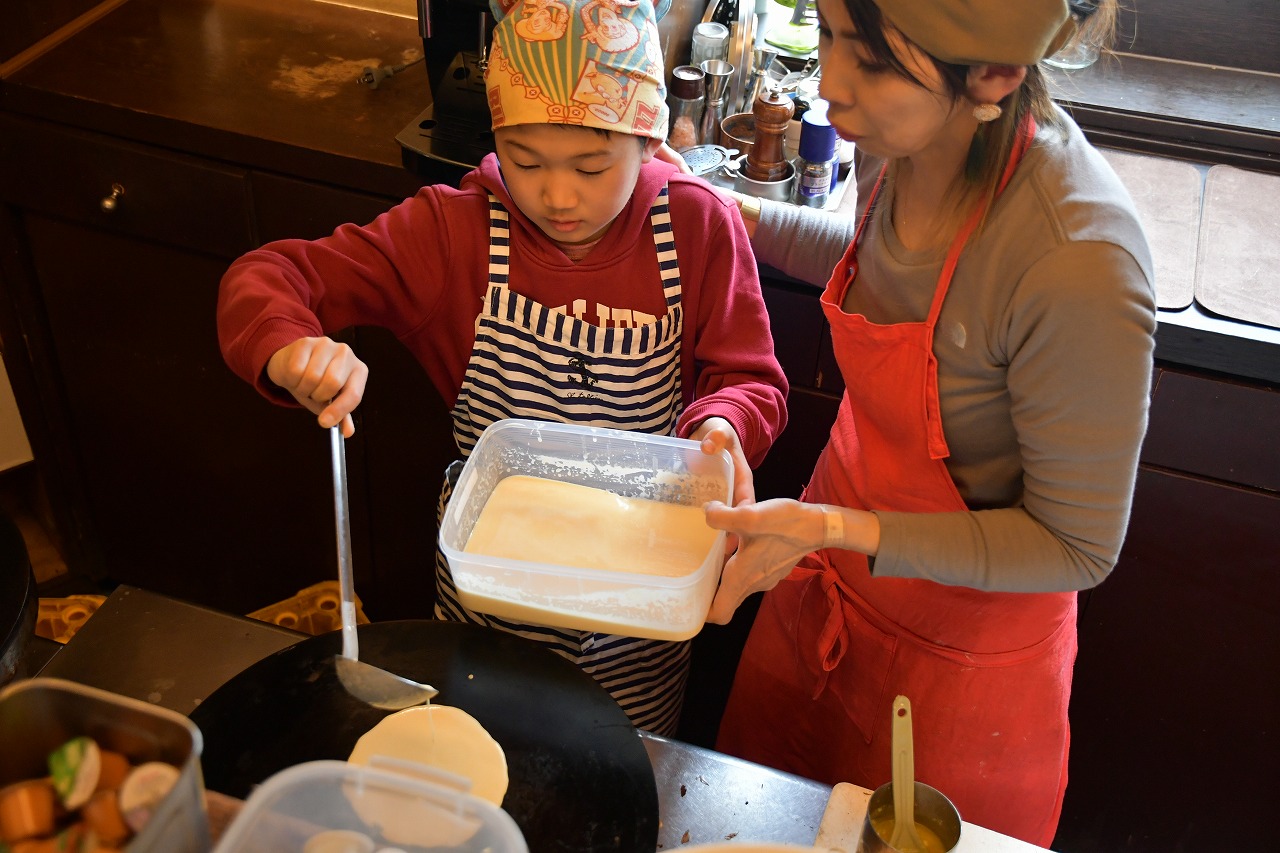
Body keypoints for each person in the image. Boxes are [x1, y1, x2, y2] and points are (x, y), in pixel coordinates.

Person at [216, 0, 788, 737]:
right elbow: (269, 276)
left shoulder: (697, 226)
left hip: (638, 618)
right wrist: (291, 346)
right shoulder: (451, 233)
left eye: (592, 165)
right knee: (486, 761)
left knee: (623, 771)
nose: (557, 195)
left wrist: (723, 425)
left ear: (647, 141)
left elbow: (751, 378)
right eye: (525, 161)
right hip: (488, 606)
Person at [698, 0, 1154, 845]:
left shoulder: (1079, 259)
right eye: (829, 35)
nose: (830, 84)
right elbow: (873, 261)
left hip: (960, 668)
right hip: (817, 584)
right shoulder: (899, 142)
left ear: (994, 75)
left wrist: (834, 526)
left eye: (869, 61)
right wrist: (726, 209)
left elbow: (1077, 546)